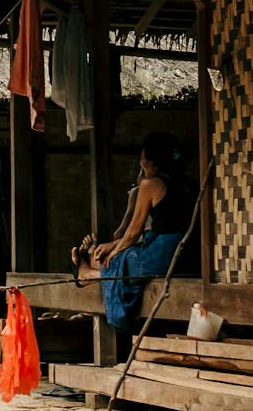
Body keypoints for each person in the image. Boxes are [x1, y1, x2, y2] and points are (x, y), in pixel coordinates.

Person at [75, 132, 199, 331]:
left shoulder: (151, 184)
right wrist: (115, 245)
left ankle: (87, 273)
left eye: (143, 163)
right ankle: (88, 271)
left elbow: (133, 232)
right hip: (188, 254)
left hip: (163, 256)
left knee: (112, 260)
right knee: (113, 254)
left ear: (151, 163)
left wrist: (115, 251)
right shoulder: (188, 183)